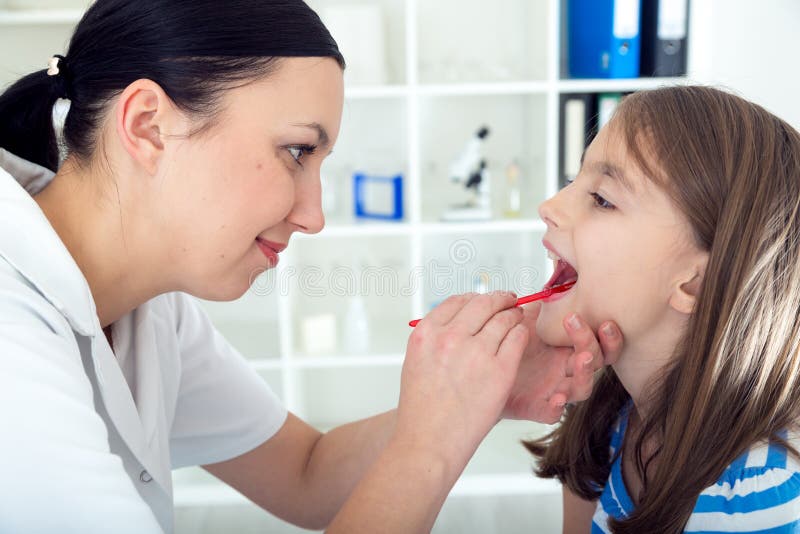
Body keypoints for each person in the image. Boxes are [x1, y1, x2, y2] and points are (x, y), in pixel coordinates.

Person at [0, 1, 624, 532]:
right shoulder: (13, 336)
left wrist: (477, 396)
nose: (314, 214)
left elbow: (305, 473)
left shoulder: (148, 307)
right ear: (149, 126)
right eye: (296, 151)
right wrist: (431, 445)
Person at [525, 85, 800, 533]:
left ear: (693, 283)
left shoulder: (759, 494)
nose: (549, 207)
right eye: (576, 182)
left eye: (602, 199)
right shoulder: (606, 417)